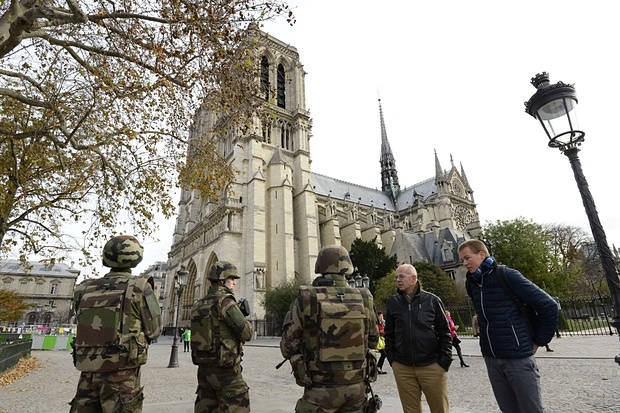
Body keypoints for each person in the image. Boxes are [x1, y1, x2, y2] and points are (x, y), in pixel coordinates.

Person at [458, 239, 559, 413]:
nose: (464, 263)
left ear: (481, 255)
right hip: (491, 357)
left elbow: (548, 305)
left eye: (467, 258)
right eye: (462, 260)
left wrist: (538, 341)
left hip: (517, 357)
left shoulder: (506, 275)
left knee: (531, 409)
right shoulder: (472, 283)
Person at [280, 245, 380, 413]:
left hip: (321, 389)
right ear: (347, 267)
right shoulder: (364, 297)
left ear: (320, 266)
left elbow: (288, 347)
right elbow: (374, 340)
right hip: (357, 388)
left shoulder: (307, 298)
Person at [70, 235, 162, 413]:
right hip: (122, 374)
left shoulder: (83, 288)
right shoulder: (140, 287)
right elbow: (155, 330)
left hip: (88, 372)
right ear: (136, 258)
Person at [385, 264, 452, 413]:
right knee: (411, 410)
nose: (398, 280)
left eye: (401, 276)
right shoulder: (393, 302)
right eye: (396, 277)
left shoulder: (432, 300)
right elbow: (388, 333)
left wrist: (444, 361)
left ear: (414, 278)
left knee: (440, 409)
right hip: (403, 367)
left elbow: (445, 332)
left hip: (431, 365)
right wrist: (393, 359)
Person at [190, 261, 254, 412]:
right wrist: (242, 316)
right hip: (225, 370)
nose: (234, 283)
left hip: (204, 369)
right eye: (232, 279)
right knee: (238, 407)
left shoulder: (199, 303)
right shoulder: (225, 302)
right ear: (222, 279)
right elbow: (247, 333)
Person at [376, 310, 388, 375]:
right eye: (380, 316)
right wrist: (382, 331)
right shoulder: (376, 323)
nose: (381, 317)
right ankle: (378, 367)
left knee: (384, 354)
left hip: (383, 340)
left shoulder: (383, 322)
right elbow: (378, 331)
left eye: (382, 316)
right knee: (384, 354)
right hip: (379, 340)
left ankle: (379, 367)